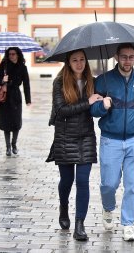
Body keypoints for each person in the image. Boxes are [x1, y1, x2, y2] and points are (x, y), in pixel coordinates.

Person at [90, 43, 134, 241]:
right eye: (124, 57)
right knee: (109, 184)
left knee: (133, 185)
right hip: (110, 140)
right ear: (116, 57)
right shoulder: (103, 81)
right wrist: (103, 105)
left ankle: (128, 224)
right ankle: (108, 208)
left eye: (131, 57)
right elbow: (93, 111)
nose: (127, 61)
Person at [48, 49, 102, 241]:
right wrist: (88, 102)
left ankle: (80, 224)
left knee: (82, 181)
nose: (79, 63)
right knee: (67, 181)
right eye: (74, 60)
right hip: (65, 137)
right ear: (68, 63)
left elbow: (97, 106)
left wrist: (103, 99)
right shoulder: (59, 82)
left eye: (82, 60)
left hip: (86, 136)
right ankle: (63, 207)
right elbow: (62, 110)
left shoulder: (93, 81)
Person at [0, 47, 31, 156]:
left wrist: (28, 100)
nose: (11, 56)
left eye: (13, 54)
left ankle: (14, 144)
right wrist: (2, 80)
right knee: (6, 123)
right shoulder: (4, 65)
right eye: (9, 54)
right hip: (4, 97)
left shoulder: (22, 67)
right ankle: (8, 147)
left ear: (18, 55)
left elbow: (26, 84)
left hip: (15, 96)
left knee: (15, 122)